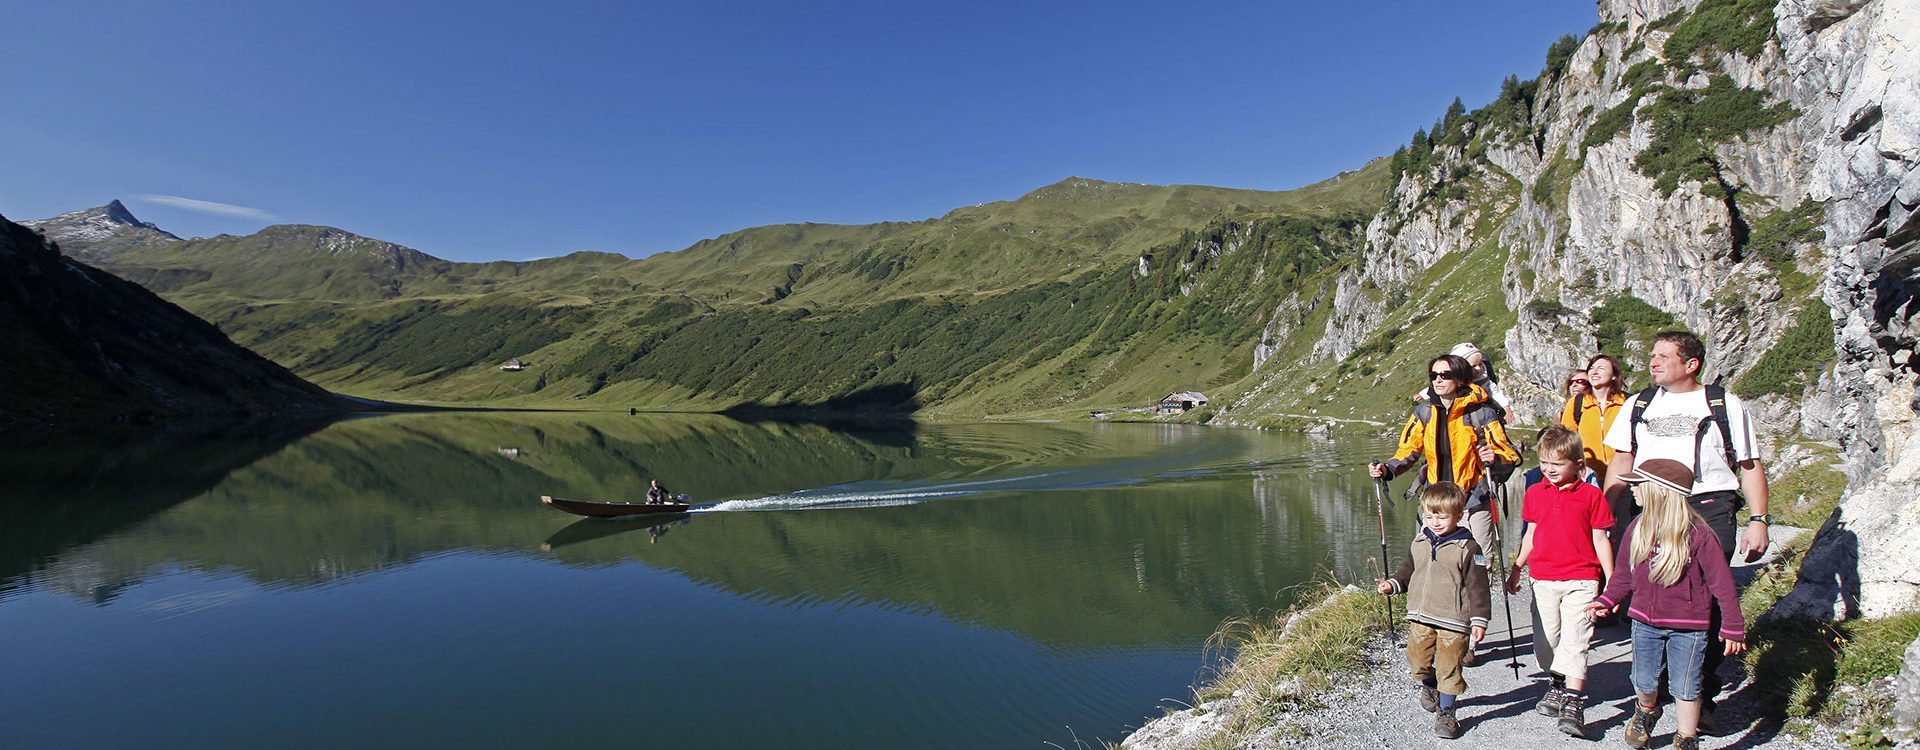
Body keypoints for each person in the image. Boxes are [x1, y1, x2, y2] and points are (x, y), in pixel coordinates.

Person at [1601, 331, 1769, 728]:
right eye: (1652, 354)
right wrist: (1607, 514)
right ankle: (1653, 692)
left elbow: (1748, 463)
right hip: (1651, 506)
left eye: (1663, 355)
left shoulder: (1723, 403)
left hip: (1708, 504)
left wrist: (1759, 520)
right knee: (1646, 593)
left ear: (1691, 364)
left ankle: (1698, 693)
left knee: (1705, 599)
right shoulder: (1638, 404)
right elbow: (1623, 459)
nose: (1653, 361)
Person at [1589, 459, 1747, 750]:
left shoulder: (1699, 535)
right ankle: (1647, 709)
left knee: (1686, 686)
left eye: (1639, 484)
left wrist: (1733, 627)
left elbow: (1722, 585)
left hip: (1690, 627)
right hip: (1644, 623)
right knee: (1644, 682)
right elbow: (1624, 574)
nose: (1633, 490)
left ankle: (1686, 738)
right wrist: (1607, 599)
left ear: (1660, 491)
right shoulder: (1638, 527)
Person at [1505, 426, 1614, 738]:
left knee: (1576, 641)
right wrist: (1517, 567)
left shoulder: (1592, 495)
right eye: (1544, 463)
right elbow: (1531, 533)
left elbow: (1601, 538)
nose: (1549, 470)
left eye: (1557, 463)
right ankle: (1555, 682)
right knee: (1546, 641)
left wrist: (1611, 580)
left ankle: (1573, 700)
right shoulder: (1535, 492)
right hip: (1543, 578)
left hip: (1582, 579)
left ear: (1578, 464)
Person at [1372, 354, 1519, 554]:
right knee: (1433, 558)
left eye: (1445, 375)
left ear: (1460, 378)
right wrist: (1387, 469)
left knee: (1479, 561)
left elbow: (1509, 455)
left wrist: (1494, 459)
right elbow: (1408, 449)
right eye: (1434, 375)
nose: (1438, 379)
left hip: (1474, 499)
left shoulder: (1482, 413)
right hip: (1435, 500)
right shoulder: (1424, 412)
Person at [1378, 482, 1491, 740]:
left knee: (1449, 669)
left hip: (1454, 621)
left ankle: (1447, 712)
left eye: (1442, 516)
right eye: (1429, 516)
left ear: (1458, 515)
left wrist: (1479, 619)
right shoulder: (1419, 541)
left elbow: (1479, 587)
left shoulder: (1471, 549)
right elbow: (1408, 572)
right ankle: (1430, 686)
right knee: (1417, 663)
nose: (1435, 522)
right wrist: (1392, 584)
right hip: (1421, 616)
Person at [1560, 354, 1628, 483]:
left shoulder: (1627, 402)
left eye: (1601, 368)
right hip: (1588, 477)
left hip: (1622, 477)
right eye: (1591, 368)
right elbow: (1566, 441)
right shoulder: (1577, 403)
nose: (1594, 372)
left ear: (1614, 375)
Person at [1414, 343, 1515, 422]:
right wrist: (1422, 394)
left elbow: (1495, 392)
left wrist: (1506, 408)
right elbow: (1440, 386)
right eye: (1473, 366)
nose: (1479, 368)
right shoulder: (1452, 377)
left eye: (1480, 364)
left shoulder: (1483, 378)